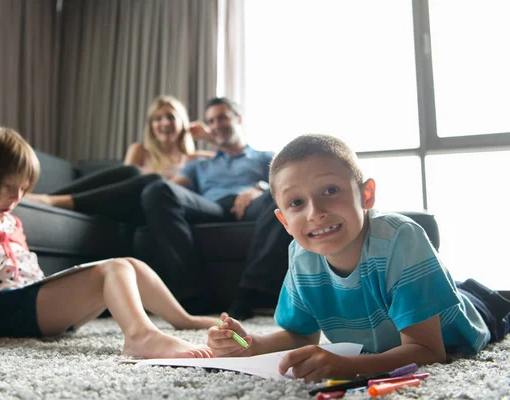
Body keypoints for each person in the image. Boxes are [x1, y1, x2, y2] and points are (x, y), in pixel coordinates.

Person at [207, 134, 510, 381]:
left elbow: (429, 351)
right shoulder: (300, 257)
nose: (315, 212)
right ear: (284, 221)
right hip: (396, 298)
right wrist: (249, 344)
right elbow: (302, 334)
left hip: (466, 316)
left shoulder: (401, 238)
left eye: (330, 190)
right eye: (297, 202)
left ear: (367, 195)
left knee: (492, 307)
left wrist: (349, 365)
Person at [0, 124, 217, 359]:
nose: (17, 198)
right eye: (7, 188)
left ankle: (183, 318)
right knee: (112, 270)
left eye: (22, 189)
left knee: (130, 266)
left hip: (28, 301)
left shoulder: (11, 220)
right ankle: (141, 336)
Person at [139, 97, 292, 319]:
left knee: (280, 194)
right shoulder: (199, 164)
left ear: (238, 119)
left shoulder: (264, 156)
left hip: (254, 205)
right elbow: (170, 189)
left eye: (222, 117)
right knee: (156, 191)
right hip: (212, 206)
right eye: (211, 120)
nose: (216, 124)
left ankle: (250, 293)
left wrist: (259, 187)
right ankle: (192, 296)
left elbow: (288, 179)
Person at [25, 95, 212, 220]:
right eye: (158, 118)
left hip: (156, 211)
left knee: (154, 181)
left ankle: (52, 201)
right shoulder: (140, 151)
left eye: (171, 117)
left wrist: (208, 136)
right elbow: (121, 188)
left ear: (183, 122)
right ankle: (48, 198)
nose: (164, 123)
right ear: (151, 126)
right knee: (132, 170)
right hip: (123, 204)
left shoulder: (195, 159)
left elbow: (234, 155)